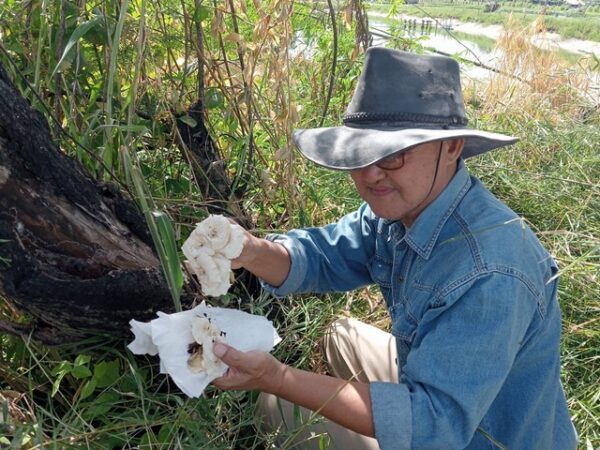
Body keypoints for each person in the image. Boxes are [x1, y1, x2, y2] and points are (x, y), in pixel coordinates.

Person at [211, 47, 578, 449]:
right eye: (362, 153)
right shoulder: (405, 208)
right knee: (342, 336)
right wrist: (247, 250)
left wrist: (277, 377)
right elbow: (324, 256)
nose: (371, 174)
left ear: (452, 147)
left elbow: (430, 426)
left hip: (482, 438)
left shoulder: (490, 273)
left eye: (394, 154)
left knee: (278, 407)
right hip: (453, 402)